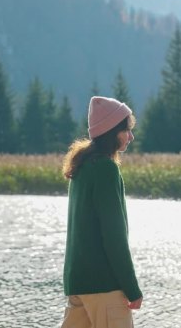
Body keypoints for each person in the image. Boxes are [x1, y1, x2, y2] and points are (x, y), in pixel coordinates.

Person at [61, 96, 142, 328]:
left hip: (78, 285)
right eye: (126, 130)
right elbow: (114, 237)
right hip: (104, 287)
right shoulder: (106, 170)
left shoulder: (81, 168)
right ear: (111, 132)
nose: (131, 136)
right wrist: (132, 288)